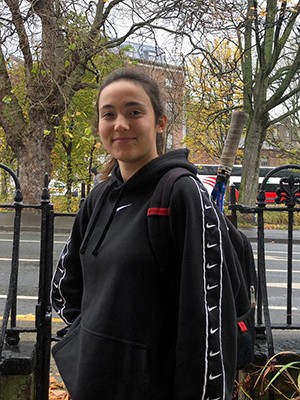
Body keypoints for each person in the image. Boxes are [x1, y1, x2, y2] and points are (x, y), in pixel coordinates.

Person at [51, 68, 249, 400]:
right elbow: (66, 286)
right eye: (108, 114)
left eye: (134, 112)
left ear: (160, 122)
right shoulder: (98, 198)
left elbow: (208, 318)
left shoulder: (181, 194)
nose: (120, 124)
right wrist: (88, 347)